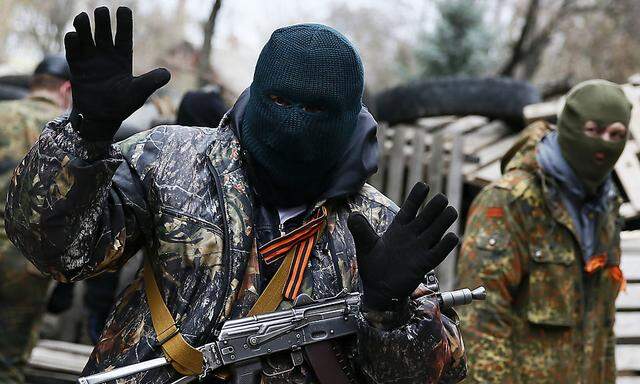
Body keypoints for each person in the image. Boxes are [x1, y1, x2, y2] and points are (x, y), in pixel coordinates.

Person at [6, 7, 467, 383]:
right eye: (280, 102)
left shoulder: (379, 229)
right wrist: (84, 137)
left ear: (350, 117)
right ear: (256, 93)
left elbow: (434, 375)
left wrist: (390, 313)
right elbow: (58, 254)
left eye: (317, 109)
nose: (294, 122)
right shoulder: (168, 162)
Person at [457, 80, 632, 384]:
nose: (604, 144)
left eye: (615, 134)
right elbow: (481, 322)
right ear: (569, 127)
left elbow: (602, 327)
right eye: (593, 131)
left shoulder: (605, 207)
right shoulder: (510, 201)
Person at [0, 54, 71, 383]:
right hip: (27, 264)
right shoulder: (68, 134)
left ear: (33, 84)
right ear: (66, 89)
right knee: (9, 363)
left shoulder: (2, 113)